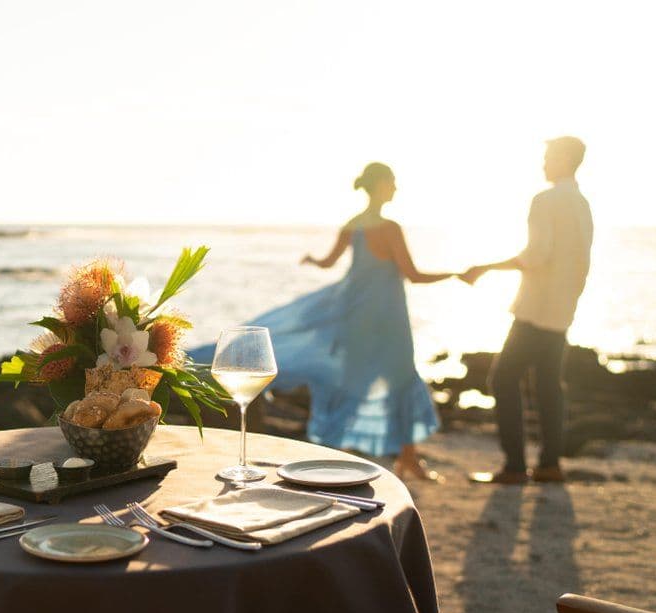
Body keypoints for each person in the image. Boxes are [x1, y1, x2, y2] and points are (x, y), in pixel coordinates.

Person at [225, 162, 460, 480]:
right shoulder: (389, 228)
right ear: (379, 185)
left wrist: (312, 259)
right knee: (401, 379)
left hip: (355, 317)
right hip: (388, 319)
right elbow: (414, 275)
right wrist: (458, 273)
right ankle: (399, 458)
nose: (395, 188)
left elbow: (328, 262)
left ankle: (365, 456)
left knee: (351, 382)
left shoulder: (354, 224)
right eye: (392, 182)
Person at [463, 137, 593, 485]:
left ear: (566, 159)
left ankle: (515, 467)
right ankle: (550, 464)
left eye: (549, 157)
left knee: (502, 379)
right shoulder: (582, 203)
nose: (544, 163)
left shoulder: (546, 200)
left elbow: (537, 255)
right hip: (563, 311)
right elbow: (582, 262)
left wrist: (485, 267)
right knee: (550, 387)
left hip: (536, 310)